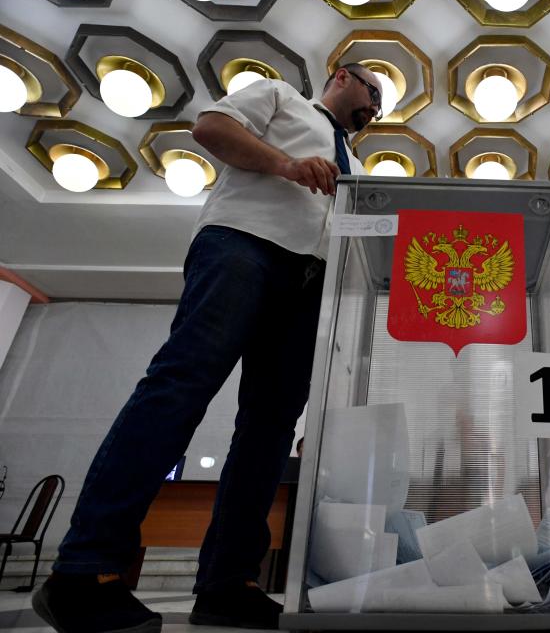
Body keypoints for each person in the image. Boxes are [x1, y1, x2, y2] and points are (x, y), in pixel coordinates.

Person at [32, 63, 383, 633]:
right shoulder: (280, 98)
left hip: (314, 280)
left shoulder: (359, 164)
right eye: (374, 94)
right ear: (343, 77)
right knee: (181, 384)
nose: (376, 110)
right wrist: (287, 165)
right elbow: (210, 128)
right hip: (244, 244)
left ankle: (228, 582)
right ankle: (84, 568)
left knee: (271, 426)